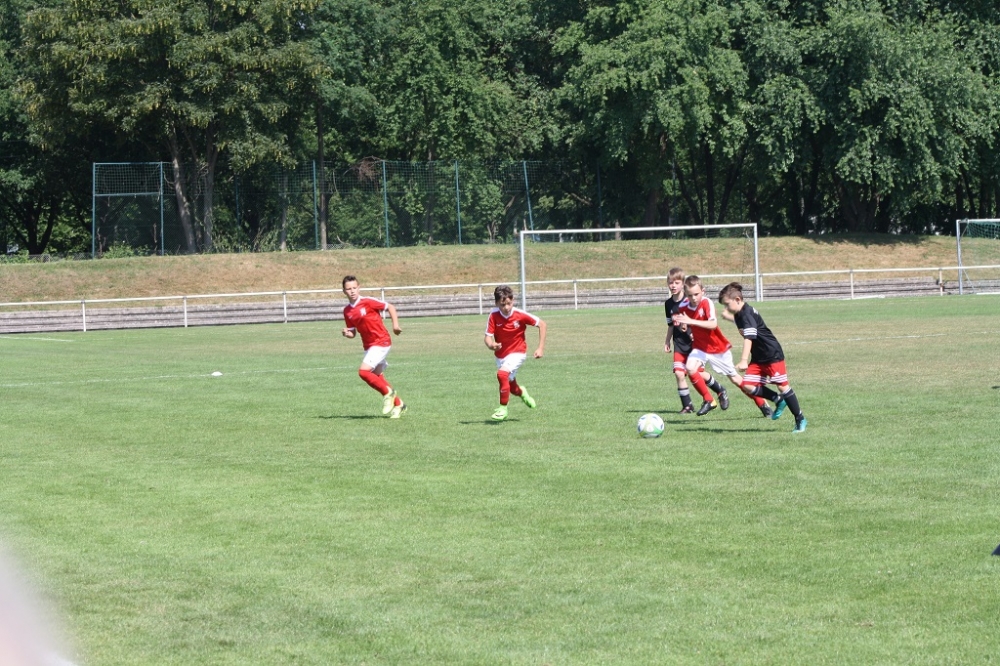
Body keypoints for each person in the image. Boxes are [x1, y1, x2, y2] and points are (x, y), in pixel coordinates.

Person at [671, 275, 767, 416]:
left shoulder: (706, 303)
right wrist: (683, 324)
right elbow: (683, 319)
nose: (694, 298)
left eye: (696, 294)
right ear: (686, 294)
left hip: (717, 348)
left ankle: (761, 403)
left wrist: (691, 321)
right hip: (700, 347)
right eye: (690, 295)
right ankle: (709, 400)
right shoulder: (683, 306)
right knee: (690, 368)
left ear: (703, 291)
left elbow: (713, 324)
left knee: (735, 379)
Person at [718, 282, 807, 433]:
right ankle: (778, 400)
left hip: (772, 354)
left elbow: (749, 338)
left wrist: (744, 360)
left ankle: (800, 419)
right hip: (759, 357)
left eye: (727, 304)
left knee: (782, 386)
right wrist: (729, 318)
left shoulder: (746, 314)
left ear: (738, 300)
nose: (726, 308)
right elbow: (745, 324)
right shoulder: (740, 313)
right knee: (748, 385)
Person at [664, 267, 728, 414]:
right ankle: (687, 406)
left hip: (695, 344)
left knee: (697, 373)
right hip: (679, 344)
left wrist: (693, 332)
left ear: (683, 284)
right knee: (679, 373)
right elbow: (671, 325)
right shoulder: (668, 304)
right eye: (670, 282)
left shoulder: (691, 300)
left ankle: (719, 390)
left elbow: (702, 320)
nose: (673, 286)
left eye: (676, 283)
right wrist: (667, 341)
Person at [341, 275, 406, 418]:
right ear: (344, 291)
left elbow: (390, 307)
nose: (352, 291)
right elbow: (353, 333)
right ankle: (399, 404)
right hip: (369, 346)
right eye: (348, 289)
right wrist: (347, 333)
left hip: (381, 341)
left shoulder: (368, 302)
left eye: (354, 288)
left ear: (359, 288)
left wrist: (395, 326)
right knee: (377, 377)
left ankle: (388, 393)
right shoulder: (347, 311)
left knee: (363, 372)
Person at [484, 285, 546, 421]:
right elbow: (487, 337)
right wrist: (491, 345)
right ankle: (522, 393)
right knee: (511, 388)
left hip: (518, 352)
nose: (506, 307)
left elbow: (542, 324)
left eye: (509, 303)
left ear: (513, 301)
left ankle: (503, 409)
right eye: (503, 305)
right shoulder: (493, 315)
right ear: (496, 303)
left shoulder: (519, 314)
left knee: (502, 374)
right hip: (501, 356)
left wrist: (540, 348)